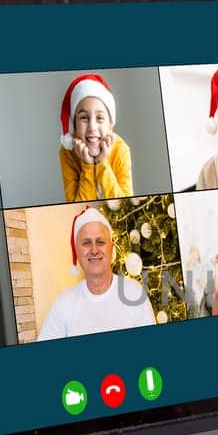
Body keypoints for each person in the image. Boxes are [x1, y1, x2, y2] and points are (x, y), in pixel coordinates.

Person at [36, 205, 157, 339]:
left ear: (111, 248)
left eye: (100, 242)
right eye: (86, 243)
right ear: (77, 251)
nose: (94, 250)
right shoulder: (64, 303)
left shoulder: (134, 293)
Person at [58, 73, 133, 201]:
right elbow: (76, 205)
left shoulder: (121, 150)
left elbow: (124, 204)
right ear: (75, 124)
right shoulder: (67, 153)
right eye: (83, 118)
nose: (92, 127)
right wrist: (87, 165)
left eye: (99, 118)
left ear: (110, 125)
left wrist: (102, 163)